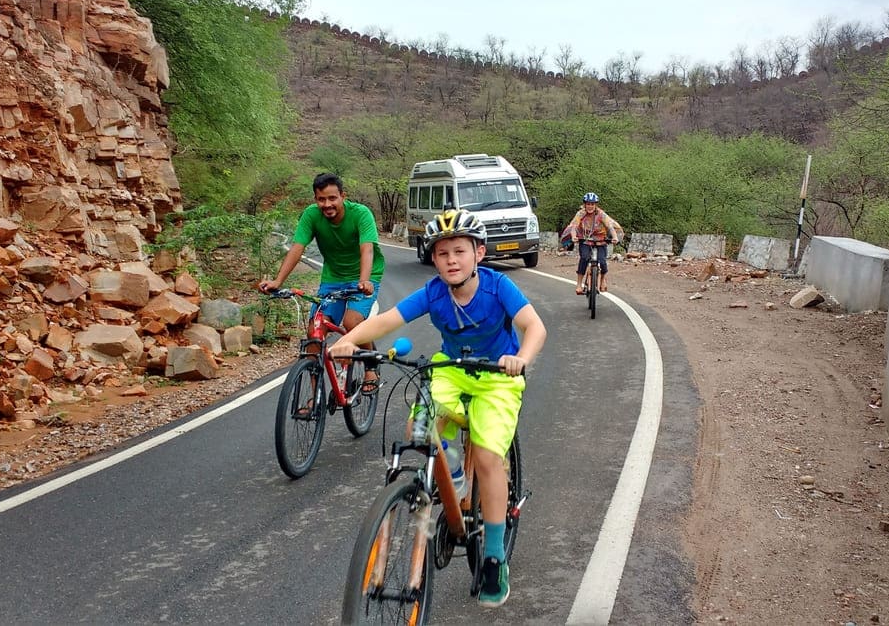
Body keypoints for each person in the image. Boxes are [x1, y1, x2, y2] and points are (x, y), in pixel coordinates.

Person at [331, 209, 546, 609]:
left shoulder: (498, 287)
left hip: (497, 377)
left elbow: (534, 327)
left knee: (487, 458)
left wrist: (522, 359)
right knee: (422, 422)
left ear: (478, 253)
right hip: (451, 371)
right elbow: (388, 321)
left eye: (459, 251)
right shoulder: (433, 292)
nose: (451, 259)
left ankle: (495, 557)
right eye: (443, 252)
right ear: (433, 258)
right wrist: (349, 341)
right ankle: (453, 475)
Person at [258, 172, 384, 391]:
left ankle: (370, 366)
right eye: (321, 199)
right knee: (314, 331)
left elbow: (367, 249)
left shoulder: (361, 214)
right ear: (315, 199)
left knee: (352, 322)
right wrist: (277, 281)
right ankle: (314, 395)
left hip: (365, 277)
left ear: (343, 196)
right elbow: (297, 247)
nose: (327, 204)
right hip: (332, 278)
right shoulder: (311, 215)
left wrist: (364, 281)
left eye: (332, 198)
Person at [565, 192, 622, 294]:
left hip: (600, 241)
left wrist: (614, 237)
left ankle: (603, 279)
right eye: (588, 204)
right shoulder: (580, 214)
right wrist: (574, 237)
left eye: (592, 204)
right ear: (584, 204)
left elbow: (610, 227)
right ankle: (579, 284)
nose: (590, 206)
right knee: (584, 258)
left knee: (603, 262)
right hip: (585, 240)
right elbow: (574, 226)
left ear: (596, 205)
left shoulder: (601, 214)